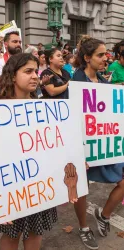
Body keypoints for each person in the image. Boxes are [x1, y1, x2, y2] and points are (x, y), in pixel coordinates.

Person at [0, 53, 58, 250]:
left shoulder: (44, 107)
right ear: (13, 75)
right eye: (28, 71)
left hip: (38, 184)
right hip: (10, 187)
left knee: (35, 233)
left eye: (35, 71)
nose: (35, 76)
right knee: (12, 235)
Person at [73, 35, 124, 249]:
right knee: (81, 188)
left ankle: (103, 215)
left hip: (105, 144)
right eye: (100, 55)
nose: (106, 58)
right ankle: (84, 228)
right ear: (87, 58)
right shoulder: (74, 83)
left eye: (106, 54)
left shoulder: (105, 83)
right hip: (82, 147)